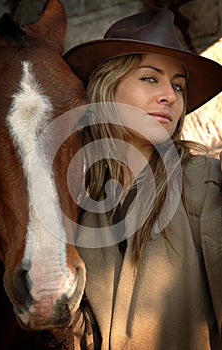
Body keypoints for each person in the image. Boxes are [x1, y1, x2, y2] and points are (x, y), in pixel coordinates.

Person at [63, 7, 222, 350]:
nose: (170, 95)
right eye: (150, 78)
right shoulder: (80, 204)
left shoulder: (204, 183)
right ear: (108, 87)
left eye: (178, 86)